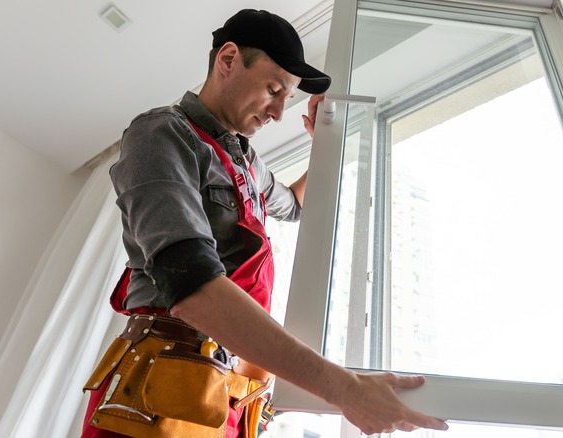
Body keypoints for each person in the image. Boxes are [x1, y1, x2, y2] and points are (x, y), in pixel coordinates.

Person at [80, 8, 449, 438]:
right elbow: (191, 286)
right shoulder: (161, 134)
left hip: (230, 391)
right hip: (163, 384)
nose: (277, 113)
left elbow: (292, 204)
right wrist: (346, 388)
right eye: (274, 90)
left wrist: (325, 147)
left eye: (287, 99)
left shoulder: (247, 161)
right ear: (229, 59)